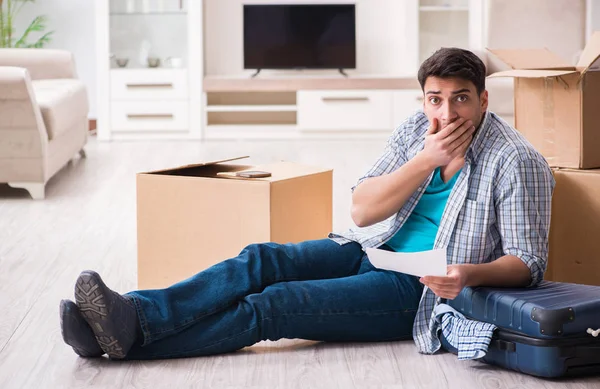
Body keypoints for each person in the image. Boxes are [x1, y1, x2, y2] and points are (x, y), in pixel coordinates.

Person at [59, 47, 555, 361]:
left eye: (461, 99)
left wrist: (467, 275)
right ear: (423, 99)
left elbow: (528, 264)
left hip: (420, 288)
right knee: (261, 259)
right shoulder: (414, 131)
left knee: (275, 307)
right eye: (435, 99)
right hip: (371, 248)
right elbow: (362, 211)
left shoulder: (516, 160)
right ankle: (130, 318)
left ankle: (129, 339)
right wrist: (425, 160)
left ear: (485, 101)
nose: (446, 113)